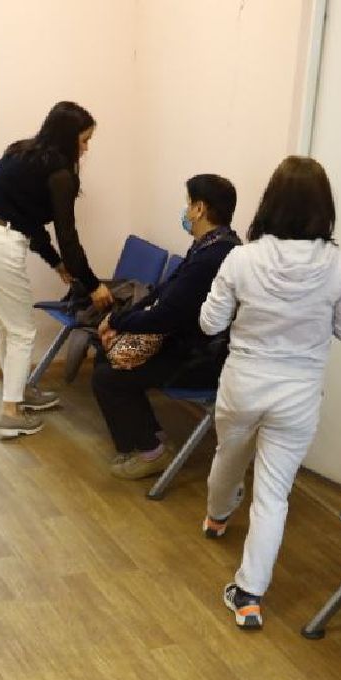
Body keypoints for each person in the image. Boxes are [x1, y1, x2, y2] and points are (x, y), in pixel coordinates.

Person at [198, 156, 341, 629]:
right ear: (324, 208)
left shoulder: (243, 258)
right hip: (298, 393)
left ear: (269, 202)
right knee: (273, 495)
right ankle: (249, 596)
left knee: (229, 456)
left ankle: (216, 517)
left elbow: (209, 323)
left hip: (243, 382)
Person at [0, 101, 112, 440]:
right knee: (22, 331)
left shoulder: (21, 153)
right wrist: (93, 285)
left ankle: (18, 393)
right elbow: (67, 236)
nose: (86, 148)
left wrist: (56, 263)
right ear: (68, 137)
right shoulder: (60, 174)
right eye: (84, 140)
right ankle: (10, 415)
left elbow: (28, 220)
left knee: (7, 326)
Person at [91, 173, 240, 480]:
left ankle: (150, 452)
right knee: (107, 356)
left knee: (108, 378)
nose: (185, 211)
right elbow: (164, 290)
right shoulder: (210, 246)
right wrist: (122, 319)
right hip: (185, 344)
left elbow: (167, 315)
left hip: (203, 359)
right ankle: (151, 438)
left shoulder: (214, 257)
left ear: (199, 208)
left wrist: (117, 321)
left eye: (188, 204)